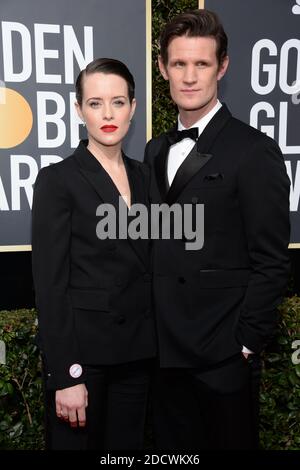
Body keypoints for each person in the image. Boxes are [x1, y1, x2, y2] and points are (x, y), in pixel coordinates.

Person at [144, 9, 290, 450]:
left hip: (221, 360)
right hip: (162, 358)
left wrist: (244, 344)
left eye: (202, 64)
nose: (189, 77)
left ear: (222, 67)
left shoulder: (254, 151)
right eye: (179, 64)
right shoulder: (154, 150)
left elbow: (272, 262)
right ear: (162, 68)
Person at [32, 58, 156, 450]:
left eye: (118, 102)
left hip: (138, 356)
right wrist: (66, 375)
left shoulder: (147, 177)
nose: (107, 114)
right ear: (78, 109)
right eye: (95, 103)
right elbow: (51, 286)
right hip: (84, 360)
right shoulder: (58, 180)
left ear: (133, 108)